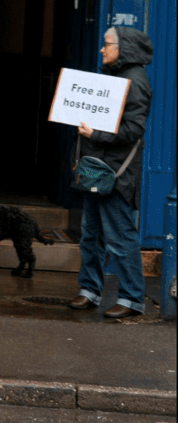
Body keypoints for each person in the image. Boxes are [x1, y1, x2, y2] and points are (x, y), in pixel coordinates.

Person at [67, 27, 153, 319]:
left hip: (116, 174)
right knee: (91, 234)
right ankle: (89, 290)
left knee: (120, 236)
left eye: (107, 45)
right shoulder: (117, 77)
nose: (102, 50)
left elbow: (134, 129)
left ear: (123, 48)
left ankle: (131, 299)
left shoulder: (135, 82)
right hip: (99, 170)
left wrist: (96, 134)